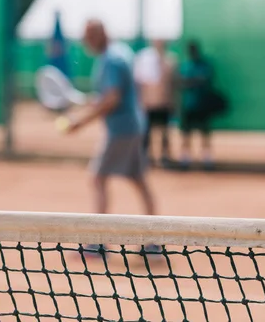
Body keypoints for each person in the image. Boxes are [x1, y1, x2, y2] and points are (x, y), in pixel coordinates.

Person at [66, 20, 157, 227]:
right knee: (139, 180)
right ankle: (155, 239)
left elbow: (112, 99)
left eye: (89, 36)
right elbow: (113, 95)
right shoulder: (121, 52)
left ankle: (98, 241)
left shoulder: (111, 59)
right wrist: (94, 101)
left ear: (101, 34)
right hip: (134, 126)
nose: (86, 41)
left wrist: (80, 122)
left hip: (121, 129)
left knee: (98, 177)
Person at [133, 40, 177, 165]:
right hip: (148, 104)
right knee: (146, 131)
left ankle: (164, 157)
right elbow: (140, 83)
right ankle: (146, 157)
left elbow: (172, 85)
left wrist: (172, 101)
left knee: (164, 131)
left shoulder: (170, 61)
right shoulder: (144, 59)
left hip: (164, 103)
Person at [178, 40, 214, 170]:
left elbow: (205, 80)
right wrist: (194, 81)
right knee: (186, 133)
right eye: (191, 50)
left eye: (194, 49)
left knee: (204, 133)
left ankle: (207, 159)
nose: (193, 52)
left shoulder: (205, 64)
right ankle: (185, 159)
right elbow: (181, 82)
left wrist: (190, 81)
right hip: (188, 106)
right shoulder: (185, 65)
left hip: (202, 105)